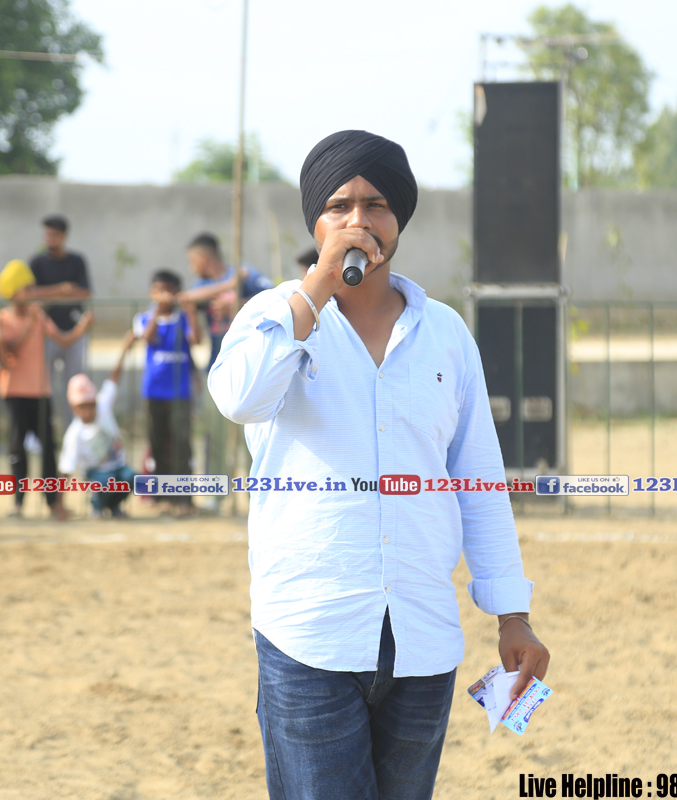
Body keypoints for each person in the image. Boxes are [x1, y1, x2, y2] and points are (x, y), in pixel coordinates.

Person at [208, 130, 549, 800]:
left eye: (377, 204)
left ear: (400, 219)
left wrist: (512, 614)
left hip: (422, 640)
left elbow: (479, 481)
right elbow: (239, 398)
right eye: (339, 206)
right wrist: (315, 289)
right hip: (310, 635)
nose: (358, 221)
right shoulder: (271, 316)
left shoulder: (445, 333)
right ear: (315, 222)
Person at [0, 260, 92, 520]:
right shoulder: (1, 320)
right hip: (14, 392)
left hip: (40, 391)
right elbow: (9, 355)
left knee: (48, 448)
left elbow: (64, 340)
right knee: (17, 449)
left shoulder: (40, 317)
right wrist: (29, 324)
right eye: (25, 288)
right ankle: (18, 504)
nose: (30, 293)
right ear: (13, 292)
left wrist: (82, 328)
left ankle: (52, 502)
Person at [133, 270, 200, 515]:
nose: (163, 295)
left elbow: (196, 340)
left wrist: (191, 312)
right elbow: (148, 337)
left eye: (168, 290)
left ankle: (183, 500)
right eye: (158, 290)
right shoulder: (144, 317)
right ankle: (162, 497)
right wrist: (157, 313)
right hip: (154, 391)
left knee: (182, 445)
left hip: (180, 392)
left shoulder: (183, 318)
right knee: (158, 444)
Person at [58, 331, 137, 519]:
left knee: (132, 478)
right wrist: (59, 505)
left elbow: (114, 376)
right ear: (73, 408)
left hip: (118, 467)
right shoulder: (74, 434)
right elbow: (66, 470)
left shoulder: (103, 405)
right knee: (106, 481)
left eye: (90, 405)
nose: (87, 411)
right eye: (81, 407)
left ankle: (115, 506)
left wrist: (125, 348)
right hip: (96, 474)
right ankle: (97, 505)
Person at [24, 214, 92, 425]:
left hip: (74, 329)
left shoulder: (76, 261)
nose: (50, 238)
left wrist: (48, 296)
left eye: (54, 234)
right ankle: (43, 430)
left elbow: (84, 293)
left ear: (63, 236)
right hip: (46, 332)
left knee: (76, 384)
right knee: (44, 384)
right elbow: (30, 293)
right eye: (47, 234)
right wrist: (62, 289)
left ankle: (74, 429)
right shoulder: (37, 262)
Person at [179, 232, 272, 371]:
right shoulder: (202, 284)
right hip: (219, 359)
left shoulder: (243, 272)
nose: (191, 268)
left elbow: (273, 297)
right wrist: (230, 284)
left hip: (249, 359)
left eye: (192, 261)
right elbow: (186, 297)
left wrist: (237, 306)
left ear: (202, 258)